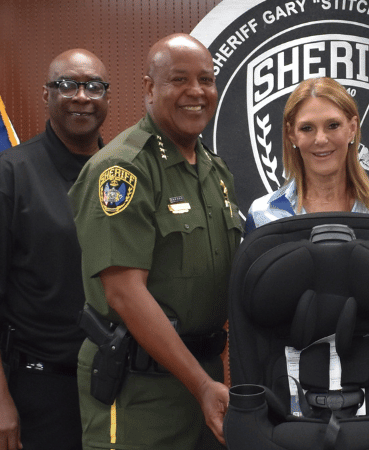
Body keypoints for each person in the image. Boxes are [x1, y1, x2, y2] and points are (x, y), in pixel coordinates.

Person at [66, 33, 238, 450]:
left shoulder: (216, 173)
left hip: (205, 380)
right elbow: (124, 293)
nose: (196, 92)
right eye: (179, 80)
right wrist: (201, 385)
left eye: (207, 80)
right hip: (139, 392)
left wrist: (207, 384)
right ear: (149, 88)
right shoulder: (122, 169)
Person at [0, 48, 111, 450]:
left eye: (94, 86)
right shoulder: (9, 173)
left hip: (118, 386)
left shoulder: (123, 173)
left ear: (107, 98)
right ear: (46, 95)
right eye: (67, 85)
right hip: (39, 391)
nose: (81, 97)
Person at [246, 76, 369, 230]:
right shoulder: (263, 215)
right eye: (307, 128)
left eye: (333, 125)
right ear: (291, 134)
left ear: (352, 128)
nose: (320, 139)